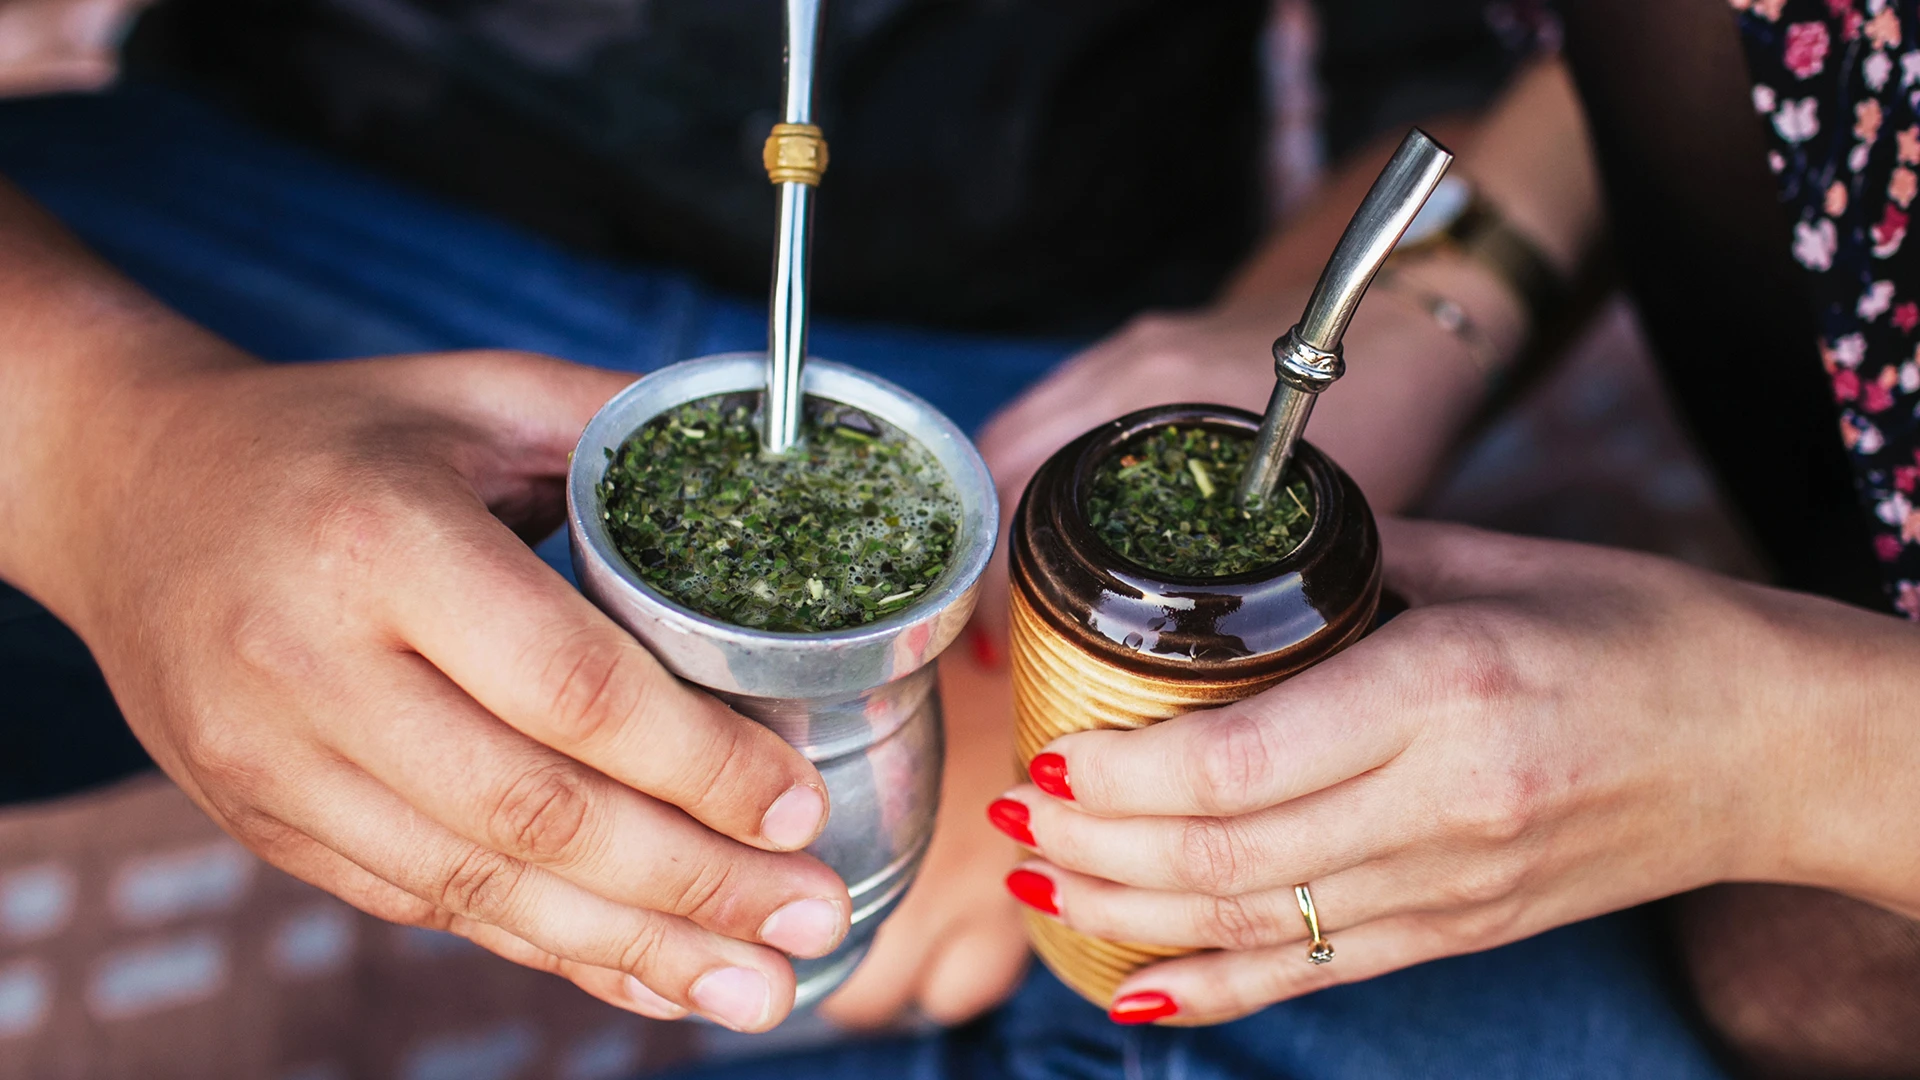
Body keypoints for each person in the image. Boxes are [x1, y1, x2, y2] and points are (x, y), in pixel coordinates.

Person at [0, 3, 1909, 1080]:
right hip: (270, 224)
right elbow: (1567, 71)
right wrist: (101, 453)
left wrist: (1793, 752)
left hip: (992, 369)